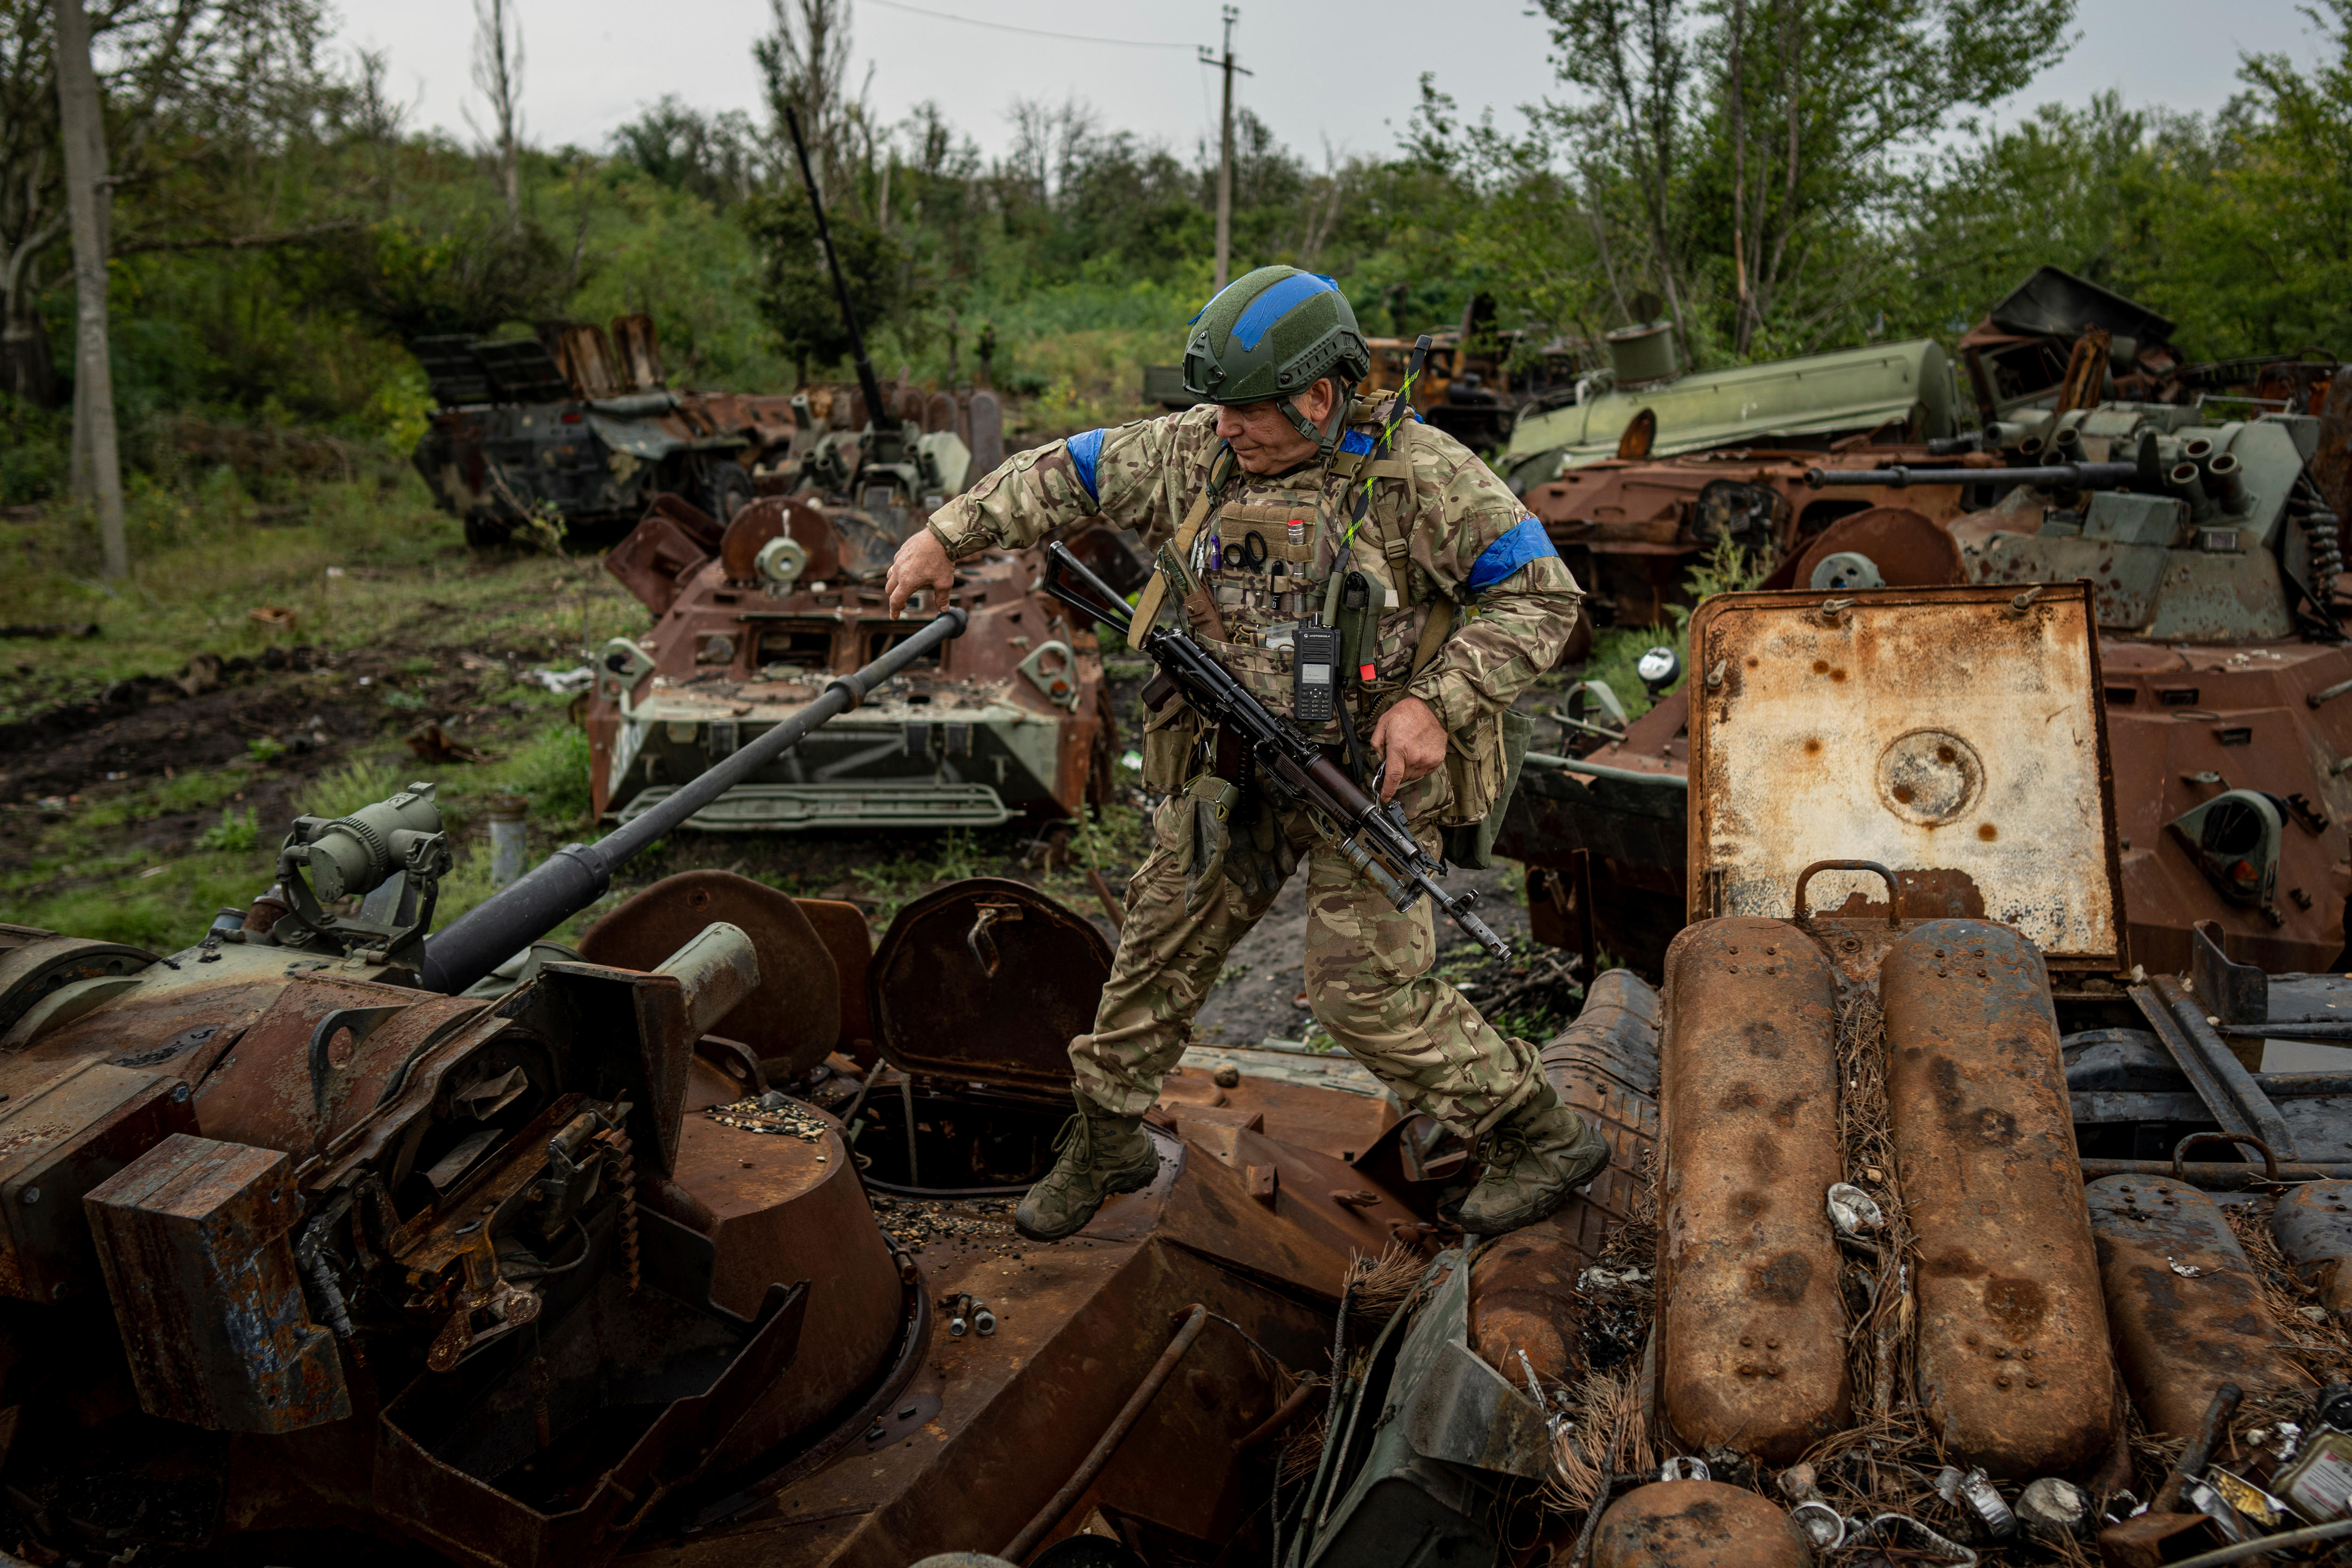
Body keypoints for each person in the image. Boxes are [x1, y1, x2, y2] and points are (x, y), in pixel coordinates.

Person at [883, 265, 1607, 1242]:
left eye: (1248, 409)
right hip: (1229, 761)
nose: (1224, 425)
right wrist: (945, 533)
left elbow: (1543, 597)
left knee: (1365, 994)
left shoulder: (1425, 478)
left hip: (1368, 778)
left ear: (1320, 395)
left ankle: (1536, 1131)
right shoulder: (1190, 452)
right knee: (1154, 950)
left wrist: (1434, 703)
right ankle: (1105, 1140)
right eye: (1214, 407)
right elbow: (1068, 472)